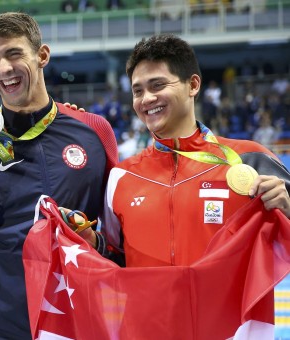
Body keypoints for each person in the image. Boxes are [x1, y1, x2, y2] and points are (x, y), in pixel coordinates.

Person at [0, 12, 119, 338]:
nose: (3, 68)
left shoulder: (94, 131)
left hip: (78, 324)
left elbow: (118, 242)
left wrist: (96, 242)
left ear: (42, 56)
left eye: (14, 54)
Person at [91, 33, 290, 267]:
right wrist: (92, 241)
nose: (147, 98)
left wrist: (287, 212)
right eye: (138, 91)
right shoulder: (121, 177)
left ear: (193, 85)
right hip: (148, 305)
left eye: (158, 85)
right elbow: (116, 258)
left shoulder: (249, 159)